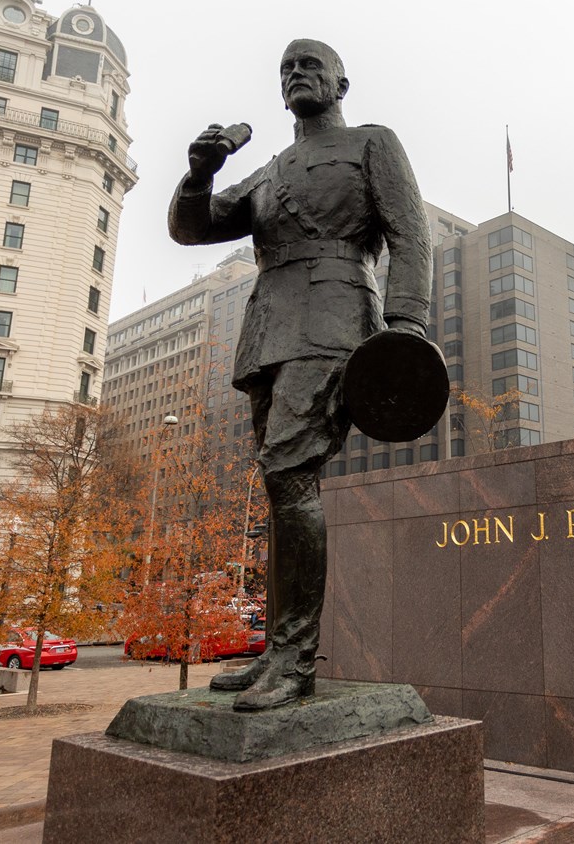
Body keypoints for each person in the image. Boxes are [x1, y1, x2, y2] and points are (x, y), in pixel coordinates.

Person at [168, 39, 432, 711]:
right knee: (280, 485)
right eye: (286, 69)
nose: (296, 75)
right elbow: (194, 228)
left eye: (310, 65)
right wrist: (199, 173)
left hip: (336, 318)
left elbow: (411, 234)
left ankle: (294, 661)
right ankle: (274, 653)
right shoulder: (273, 169)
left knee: (288, 473)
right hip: (269, 328)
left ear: (341, 82)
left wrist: (406, 326)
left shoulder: (373, 142)